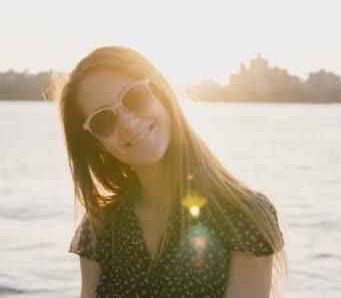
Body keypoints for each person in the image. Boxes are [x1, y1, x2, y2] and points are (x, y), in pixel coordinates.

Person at [57, 46, 287, 298]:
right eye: (104, 120)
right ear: (95, 144)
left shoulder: (244, 215)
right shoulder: (100, 227)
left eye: (135, 97)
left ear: (161, 93)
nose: (129, 124)